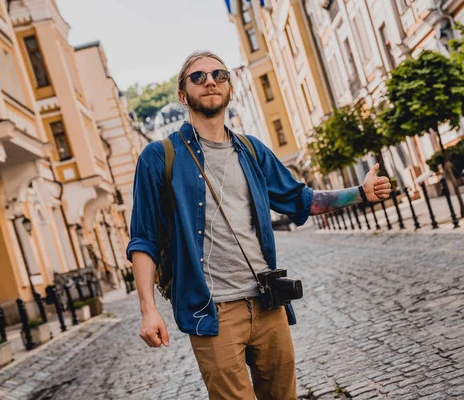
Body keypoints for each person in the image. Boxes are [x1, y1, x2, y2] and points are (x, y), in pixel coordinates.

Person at [126, 50, 391, 400]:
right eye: (198, 77)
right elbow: (143, 239)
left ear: (229, 88)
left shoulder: (251, 150)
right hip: (212, 312)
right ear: (182, 94)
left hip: (268, 304)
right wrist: (148, 310)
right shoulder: (159, 157)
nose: (210, 81)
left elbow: (301, 199)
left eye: (219, 75)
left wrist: (359, 193)